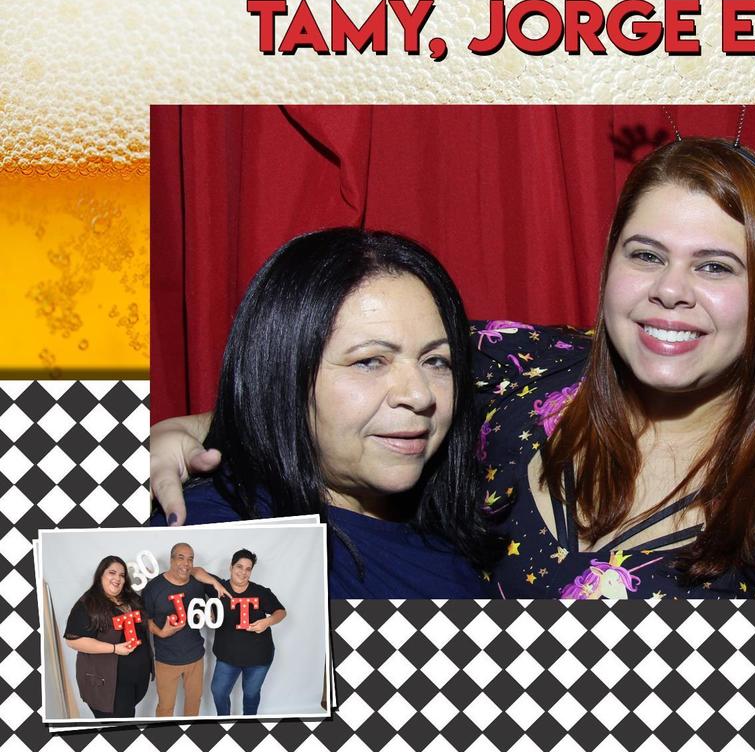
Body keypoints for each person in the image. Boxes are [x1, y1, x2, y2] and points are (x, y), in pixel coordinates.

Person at [151, 140, 755, 598]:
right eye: (646, 255)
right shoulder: (516, 368)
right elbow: (339, 370)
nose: (671, 290)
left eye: (715, 266)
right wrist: (192, 431)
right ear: (609, 267)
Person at [149, 229, 496, 598]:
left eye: (436, 361)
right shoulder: (217, 545)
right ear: (283, 375)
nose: (420, 394)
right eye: (369, 361)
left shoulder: (454, 521)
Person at [141, 542, 229, 717]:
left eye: (190, 559)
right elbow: (146, 619)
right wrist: (161, 632)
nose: (186, 563)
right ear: (171, 559)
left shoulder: (198, 581)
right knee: (166, 707)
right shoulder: (154, 587)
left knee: (194, 702)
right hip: (166, 659)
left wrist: (210, 606)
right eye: (181, 558)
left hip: (195, 657)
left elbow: (198, 571)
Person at [63, 557, 153, 719]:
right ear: (100, 575)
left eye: (122, 575)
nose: (117, 578)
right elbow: (73, 641)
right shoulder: (88, 604)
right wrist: (114, 649)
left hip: (135, 680)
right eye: (112, 572)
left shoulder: (131, 599)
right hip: (108, 685)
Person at [206, 549, 286, 716]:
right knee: (218, 692)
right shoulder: (218, 588)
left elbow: (281, 612)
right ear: (231, 567)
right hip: (227, 656)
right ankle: (225, 721)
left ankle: (248, 724)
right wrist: (214, 583)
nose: (243, 572)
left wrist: (267, 621)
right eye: (239, 566)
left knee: (250, 695)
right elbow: (195, 571)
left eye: (248, 569)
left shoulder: (261, 592)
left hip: (258, 657)